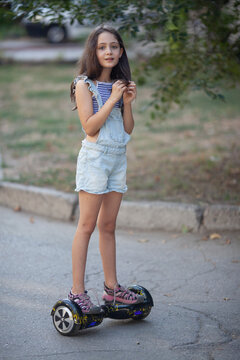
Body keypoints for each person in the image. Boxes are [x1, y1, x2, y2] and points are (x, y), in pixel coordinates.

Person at [69, 25, 144, 314]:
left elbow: (127, 131)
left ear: (121, 51)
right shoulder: (83, 85)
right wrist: (112, 98)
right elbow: (89, 127)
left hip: (117, 160)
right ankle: (77, 292)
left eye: (114, 46)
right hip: (95, 160)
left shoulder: (120, 85)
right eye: (102, 47)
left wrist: (126, 104)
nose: (109, 51)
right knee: (86, 226)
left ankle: (112, 290)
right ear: (94, 51)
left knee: (108, 226)